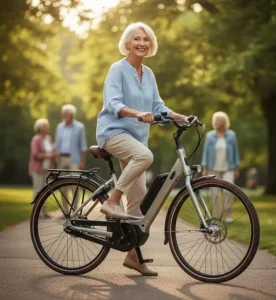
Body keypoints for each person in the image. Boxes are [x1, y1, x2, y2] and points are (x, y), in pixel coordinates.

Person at [96, 22, 189, 276]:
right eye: (137, 39)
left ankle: (133, 257)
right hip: (113, 133)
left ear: (151, 45)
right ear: (128, 43)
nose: (142, 43)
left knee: (138, 201)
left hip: (135, 140)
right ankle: (112, 201)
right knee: (145, 156)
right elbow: (113, 103)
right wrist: (138, 113)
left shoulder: (148, 74)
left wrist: (180, 117)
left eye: (146, 40)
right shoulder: (117, 69)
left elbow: (158, 105)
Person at [201, 111, 240, 222]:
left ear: (223, 122)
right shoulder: (210, 136)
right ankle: (218, 216)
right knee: (215, 194)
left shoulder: (231, 135)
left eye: (218, 120)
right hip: (213, 168)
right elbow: (206, 152)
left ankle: (228, 215)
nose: (216, 122)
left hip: (229, 168)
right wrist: (205, 168)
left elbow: (236, 152)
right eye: (215, 120)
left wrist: (237, 168)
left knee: (228, 192)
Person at [55, 104, 88, 212]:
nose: (63, 115)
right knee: (62, 186)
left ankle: (75, 211)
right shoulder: (59, 127)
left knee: (75, 186)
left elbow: (83, 145)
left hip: (75, 159)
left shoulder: (79, 127)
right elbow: (57, 144)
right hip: (62, 159)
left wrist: (82, 161)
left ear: (71, 114)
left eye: (65, 113)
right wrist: (56, 159)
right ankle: (65, 211)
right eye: (62, 113)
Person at [29, 118, 56, 217]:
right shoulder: (36, 139)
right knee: (38, 190)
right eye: (46, 126)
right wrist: (49, 156)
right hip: (38, 169)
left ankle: (44, 212)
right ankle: (36, 213)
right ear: (40, 128)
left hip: (47, 169)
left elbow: (52, 151)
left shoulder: (48, 138)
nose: (48, 127)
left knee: (45, 191)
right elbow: (35, 155)